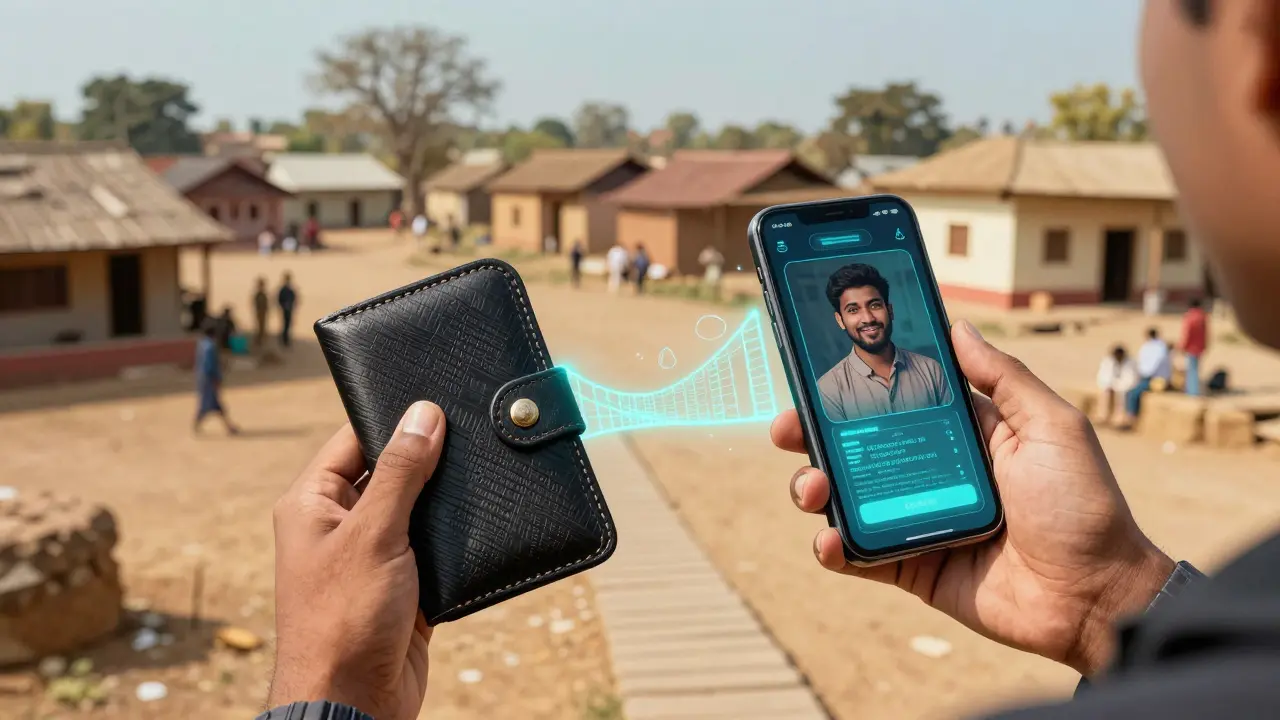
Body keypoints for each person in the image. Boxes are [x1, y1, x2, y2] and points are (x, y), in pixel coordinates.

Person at [263, 3, 1280, 718]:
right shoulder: (841, 388)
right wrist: (1108, 599)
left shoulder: (926, 379)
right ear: (840, 320)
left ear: (1257, 42)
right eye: (857, 305)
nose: (873, 314)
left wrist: (326, 697)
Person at [817, 263, 951, 421]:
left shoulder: (931, 370)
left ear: (890, 310)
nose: (868, 318)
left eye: (875, 305)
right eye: (853, 310)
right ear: (840, 320)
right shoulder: (828, 390)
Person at [193, 321, 237, 435]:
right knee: (209, 404)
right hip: (209, 379)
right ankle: (198, 425)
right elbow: (209, 364)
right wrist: (216, 378)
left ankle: (229, 426)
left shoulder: (201, 344)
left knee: (213, 404)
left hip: (203, 378)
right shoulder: (210, 346)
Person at [1123, 327, 1172, 421]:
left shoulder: (1155, 347)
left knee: (1132, 393)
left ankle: (1131, 417)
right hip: (1152, 377)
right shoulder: (1159, 346)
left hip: (1156, 379)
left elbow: (1151, 367)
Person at [1095, 344, 1138, 425]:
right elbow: (1104, 377)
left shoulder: (1130, 363)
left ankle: (1119, 419)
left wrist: (1118, 386)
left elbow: (1131, 379)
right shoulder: (1107, 362)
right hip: (1110, 385)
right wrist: (1111, 385)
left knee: (1121, 397)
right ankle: (1103, 416)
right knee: (1105, 394)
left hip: (1125, 387)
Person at [1180, 298, 1209, 395]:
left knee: (1191, 370)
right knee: (1196, 369)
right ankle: (1194, 390)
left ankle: (1192, 392)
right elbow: (1206, 333)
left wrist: (1183, 346)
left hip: (1191, 347)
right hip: (1200, 347)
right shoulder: (1202, 316)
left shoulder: (1189, 317)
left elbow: (1187, 333)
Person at [277, 272, 298, 349]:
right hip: (285, 310)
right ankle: (284, 340)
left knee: (288, 325)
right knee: (285, 325)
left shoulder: (290, 289)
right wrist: (284, 306)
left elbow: (294, 298)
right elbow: (280, 300)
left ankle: (286, 340)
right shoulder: (284, 290)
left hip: (289, 309)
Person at [252, 277, 271, 351]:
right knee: (259, 327)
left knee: (262, 327)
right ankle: (259, 340)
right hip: (260, 312)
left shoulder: (262, 294)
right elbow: (256, 304)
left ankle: (261, 339)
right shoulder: (259, 294)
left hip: (263, 312)